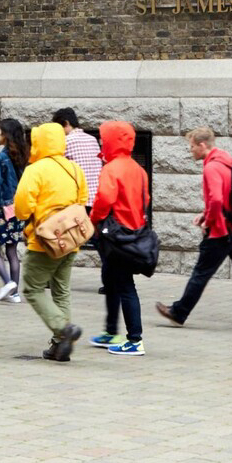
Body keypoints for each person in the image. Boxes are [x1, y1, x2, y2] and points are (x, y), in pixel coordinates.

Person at [157, 127, 232, 332]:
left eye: (192, 147)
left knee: (201, 273)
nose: (190, 151)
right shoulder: (227, 161)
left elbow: (217, 198)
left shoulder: (211, 168)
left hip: (221, 231)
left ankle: (179, 313)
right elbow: (226, 196)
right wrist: (205, 212)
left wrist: (209, 220)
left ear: (202, 145)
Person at [13, 121, 87, 361]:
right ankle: (59, 346)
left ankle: (63, 329)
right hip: (71, 239)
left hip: (43, 241)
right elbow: (82, 200)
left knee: (32, 288)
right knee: (61, 291)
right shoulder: (74, 168)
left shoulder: (36, 169)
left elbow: (23, 208)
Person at [90, 119, 150, 356]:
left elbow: (103, 200)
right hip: (133, 232)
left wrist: (94, 221)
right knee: (112, 280)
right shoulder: (138, 168)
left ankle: (134, 339)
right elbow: (145, 200)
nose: (101, 143)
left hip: (116, 235)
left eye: (104, 139)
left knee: (124, 286)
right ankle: (111, 331)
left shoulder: (111, 168)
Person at [0, 118, 28, 302]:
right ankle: (15, 293)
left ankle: (8, 282)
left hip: (2, 211)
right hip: (17, 209)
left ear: (6, 135)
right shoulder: (23, 156)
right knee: (12, 250)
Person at [54, 108, 103, 206]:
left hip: (79, 200)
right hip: (97, 198)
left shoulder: (65, 141)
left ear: (66, 123)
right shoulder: (93, 139)